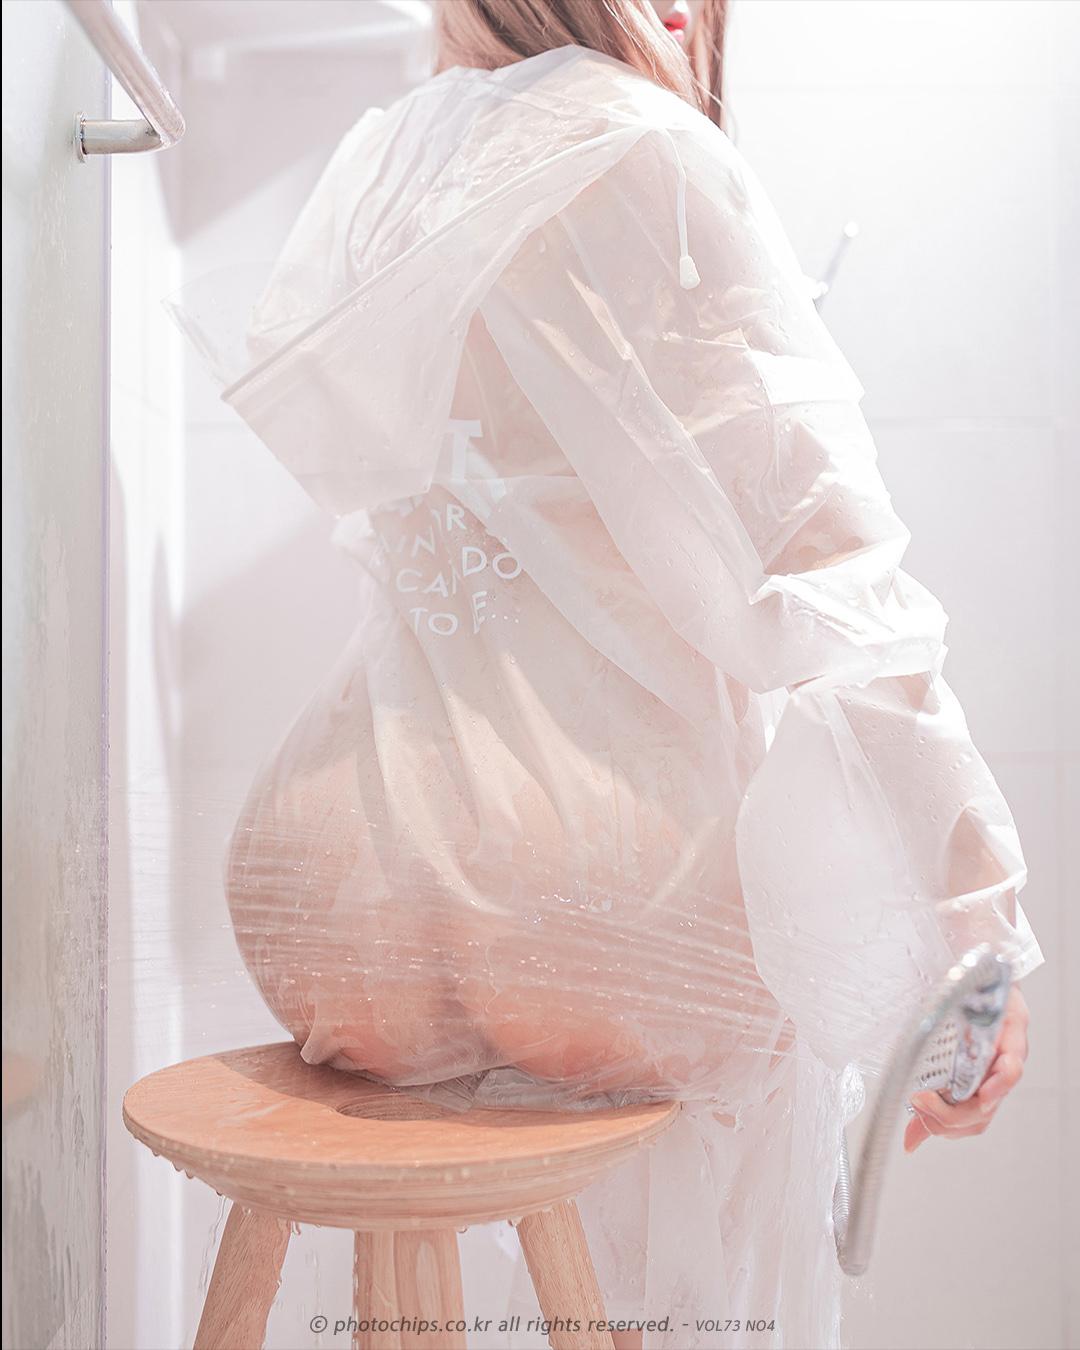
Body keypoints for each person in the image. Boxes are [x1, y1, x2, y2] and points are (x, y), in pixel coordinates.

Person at [172, 1, 1043, 1344]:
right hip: (598, 891)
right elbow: (834, 581)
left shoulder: (388, 158)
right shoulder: (647, 146)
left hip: (325, 885)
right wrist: (976, 933)